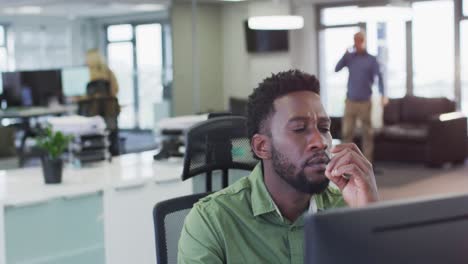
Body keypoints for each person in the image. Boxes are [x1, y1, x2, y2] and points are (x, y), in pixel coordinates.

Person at [178, 70, 379, 263]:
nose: (321, 141)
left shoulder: (349, 207)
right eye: (299, 129)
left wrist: (370, 218)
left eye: (324, 128)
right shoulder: (211, 223)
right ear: (262, 147)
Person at [335, 31, 387, 163]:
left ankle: (367, 163)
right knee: (347, 133)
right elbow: (337, 68)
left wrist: (383, 95)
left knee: (367, 134)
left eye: (360, 40)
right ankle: (345, 162)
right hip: (350, 101)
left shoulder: (371, 59)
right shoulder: (350, 58)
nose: (357, 43)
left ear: (364, 42)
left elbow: (380, 78)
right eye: (355, 40)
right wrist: (344, 55)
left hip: (365, 102)